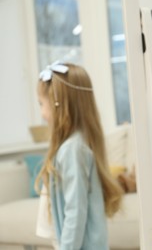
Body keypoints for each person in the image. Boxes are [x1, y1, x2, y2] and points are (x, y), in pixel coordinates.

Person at [35, 62, 123, 249]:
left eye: (42, 104)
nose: (41, 113)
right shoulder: (75, 146)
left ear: (58, 103)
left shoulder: (72, 149)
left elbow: (75, 211)